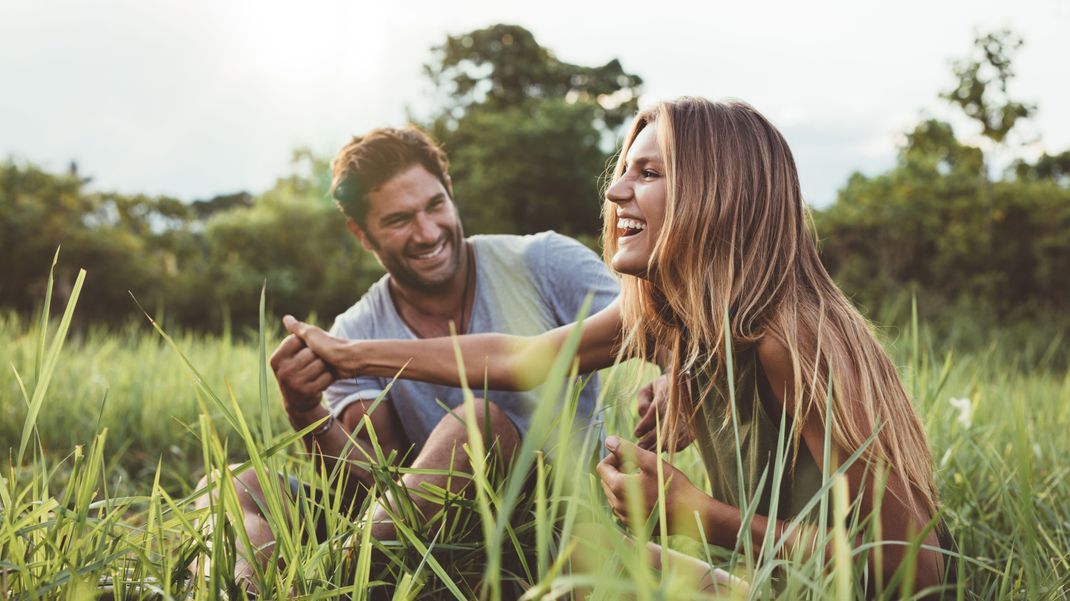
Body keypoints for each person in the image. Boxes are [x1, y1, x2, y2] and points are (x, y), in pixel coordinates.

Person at [285, 98, 955, 594]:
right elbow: (519, 358)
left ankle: (319, 580)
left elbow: (914, 566)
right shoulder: (678, 318)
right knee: (569, 553)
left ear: (719, 193)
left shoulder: (793, 338)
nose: (614, 191)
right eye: (622, 171)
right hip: (777, 578)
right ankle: (330, 576)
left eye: (648, 174)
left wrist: (697, 513)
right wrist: (353, 357)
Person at [197, 126, 618, 588]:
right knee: (231, 486)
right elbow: (370, 487)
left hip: (549, 531)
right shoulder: (355, 328)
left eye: (435, 205)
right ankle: (252, 589)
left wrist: (668, 378)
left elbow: (658, 327)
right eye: (398, 220)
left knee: (478, 424)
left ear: (450, 193)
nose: (427, 232)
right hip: (423, 544)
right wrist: (303, 411)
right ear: (362, 234)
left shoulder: (545, 261)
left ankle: (323, 585)